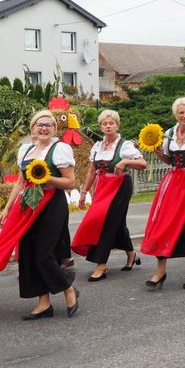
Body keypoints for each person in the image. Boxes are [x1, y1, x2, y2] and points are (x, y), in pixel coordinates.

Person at [0, 110, 79, 320]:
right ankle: (43, 303)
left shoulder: (60, 149)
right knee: (28, 254)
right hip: (27, 204)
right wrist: (8, 208)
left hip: (51, 203)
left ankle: (68, 288)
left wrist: (47, 179)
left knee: (44, 253)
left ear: (54, 129)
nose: (44, 128)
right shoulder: (26, 150)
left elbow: (70, 182)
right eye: (40, 124)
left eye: (48, 124)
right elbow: (20, 182)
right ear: (33, 129)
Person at [141, 97, 185, 289]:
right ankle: (160, 271)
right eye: (181, 112)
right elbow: (169, 160)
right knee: (162, 223)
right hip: (172, 183)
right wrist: (159, 153)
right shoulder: (170, 133)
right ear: (176, 114)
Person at [72, 109, 147, 281]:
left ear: (117, 125)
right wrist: (83, 192)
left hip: (120, 186)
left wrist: (126, 161)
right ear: (100, 126)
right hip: (103, 186)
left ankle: (101, 264)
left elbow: (143, 163)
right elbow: (91, 171)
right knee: (115, 223)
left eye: (111, 123)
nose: (108, 126)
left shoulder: (125, 145)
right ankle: (131, 254)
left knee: (108, 222)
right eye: (104, 124)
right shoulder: (97, 146)